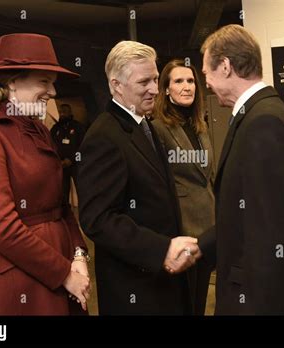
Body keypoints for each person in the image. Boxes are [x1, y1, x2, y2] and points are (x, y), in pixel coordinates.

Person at [0, 33, 91, 315]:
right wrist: (64, 274)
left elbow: (60, 203)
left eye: (53, 84)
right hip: (16, 273)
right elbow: (2, 229)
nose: (53, 92)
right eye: (44, 81)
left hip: (57, 260)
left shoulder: (38, 130)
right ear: (11, 81)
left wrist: (78, 254)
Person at [199, 24, 284, 315]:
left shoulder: (264, 122)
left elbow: (272, 239)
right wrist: (200, 245)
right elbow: (245, 215)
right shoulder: (257, 114)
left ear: (226, 66)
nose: (206, 83)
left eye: (206, 73)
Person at [76, 41, 201, 315]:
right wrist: (160, 250)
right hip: (135, 290)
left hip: (162, 283)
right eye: (144, 81)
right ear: (116, 85)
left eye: (156, 79)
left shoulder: (144, 125)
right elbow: (97, 219)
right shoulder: (103, 136)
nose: (155, 90)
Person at [152, 59, 215, 315]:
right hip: (181, 230)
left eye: (190, 81)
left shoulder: (201, 126)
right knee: (182, 304)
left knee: (199, 301)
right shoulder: (157, 129)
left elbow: (206, 176)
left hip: (208, 229)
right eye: (178, 81)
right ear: (166, 89)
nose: (187, 86)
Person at [50, 103, 85, 204]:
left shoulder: (78, 127)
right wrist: (58, 161)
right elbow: (50, 145)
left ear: (70, 112)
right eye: (60, 112)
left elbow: (83, 145)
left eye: (64, 112)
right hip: (61, 165)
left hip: (76, 165)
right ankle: (66, 217)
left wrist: (71, 159)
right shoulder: (55, 128)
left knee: (82, 191)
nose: (62, 114)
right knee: (63, 194)